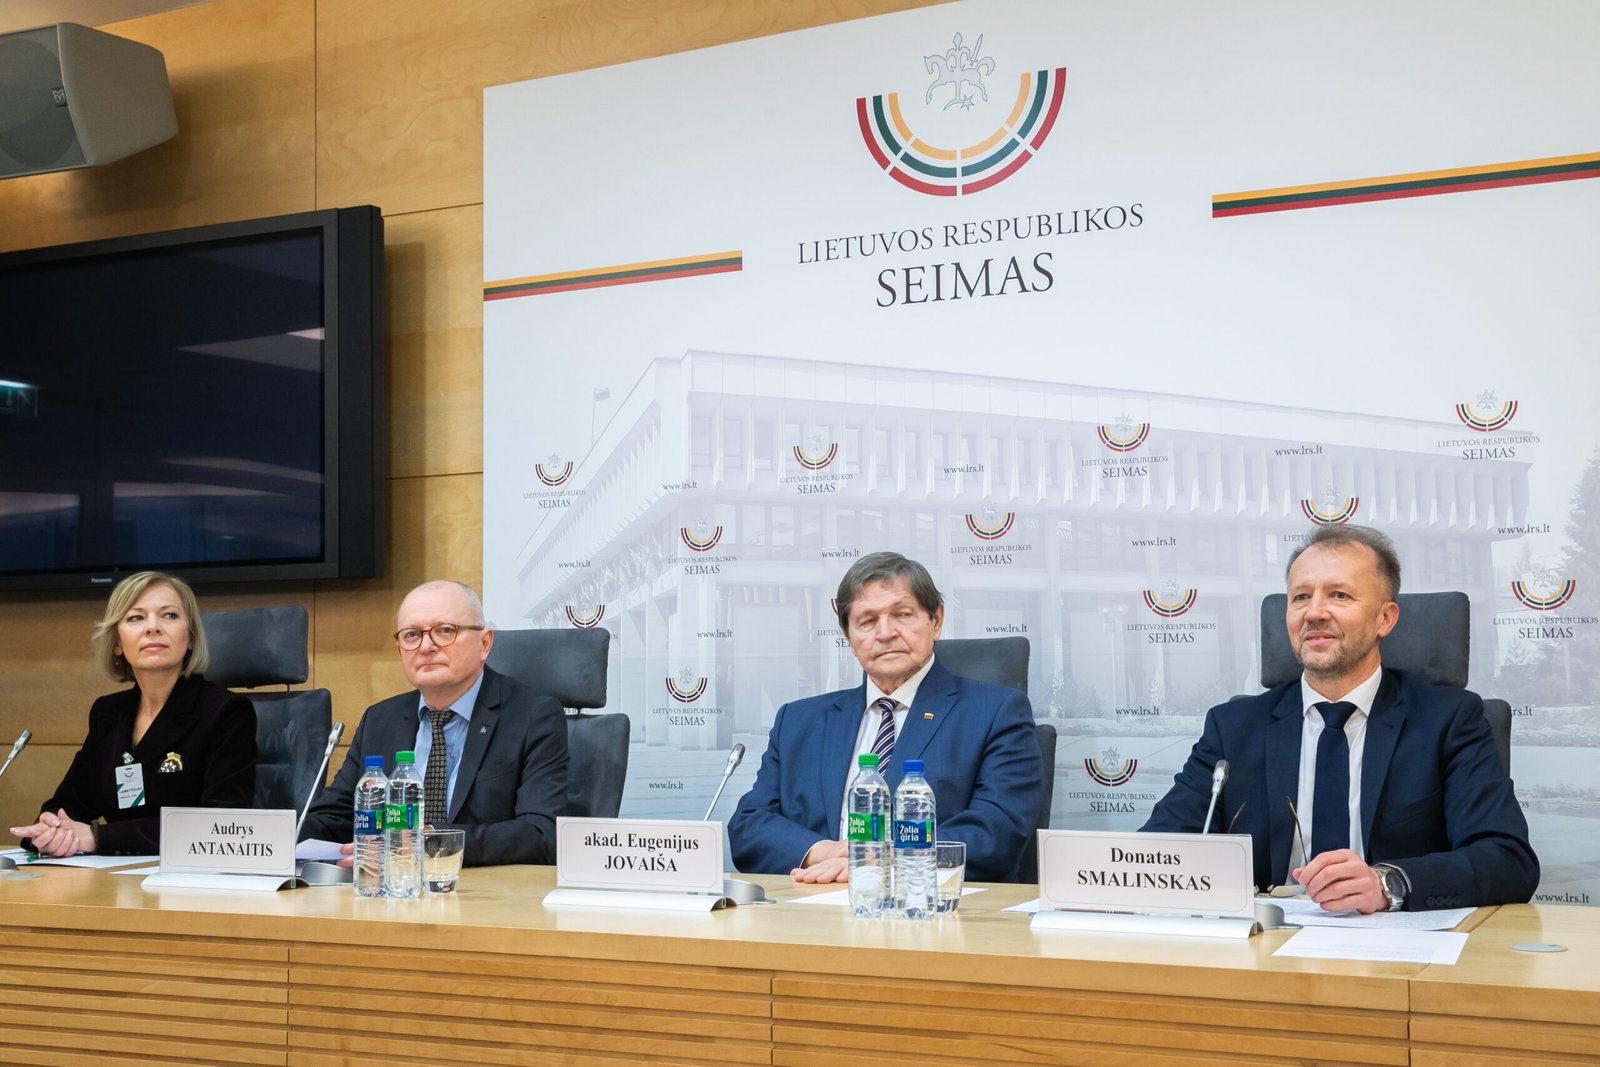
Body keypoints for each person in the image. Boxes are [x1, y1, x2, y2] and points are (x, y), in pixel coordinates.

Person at [1143, 525, 1538, 912]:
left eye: (1339, 595)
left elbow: (1507, 860)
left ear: (1385, 618)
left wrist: (1387, 884)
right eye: (1301, 597)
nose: (1314, 612)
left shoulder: (1448, 721)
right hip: (1266, 941)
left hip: (1394, 942)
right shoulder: (1233, 728)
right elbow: (1155, 854)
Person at [729, 552, 1042, 883]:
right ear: (849, 638)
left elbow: (998, 828)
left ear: (936, 621)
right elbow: (749, 824)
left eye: (903, 615)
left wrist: (878, 859)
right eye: (866, 621)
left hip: (928, 905)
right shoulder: (798, 722)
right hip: (812, 900)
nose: (885, 633)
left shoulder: (994, 713)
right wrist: (823, 852)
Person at [299, 579, 568, 867]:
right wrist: (280, 835)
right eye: (412, 635)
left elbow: (540, 834)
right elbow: (334, 818)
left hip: (482, 888)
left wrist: (429, 841)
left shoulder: (533, 716)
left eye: (445, 631)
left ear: (484, 643)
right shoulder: (379, 719)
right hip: (391, 887)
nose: (426, 646)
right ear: (400, 651)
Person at [10, 572, 256, 856]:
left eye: (169, 615)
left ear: (190, 637)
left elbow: (220, 824)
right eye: (136, 617)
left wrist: (99, 837)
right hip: (115, 877)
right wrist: (50, 830)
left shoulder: (226, 712)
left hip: (192, 878)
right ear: (117, 642)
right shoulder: (108, 714)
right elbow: (69, 804)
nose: (153, 627)